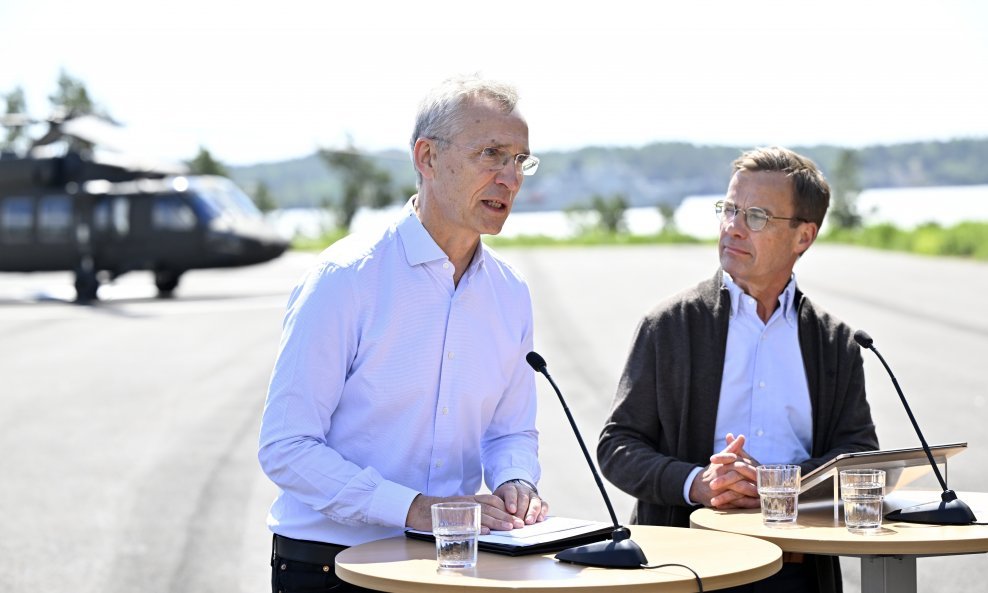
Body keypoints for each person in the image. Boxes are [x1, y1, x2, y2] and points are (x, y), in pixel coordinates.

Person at [258, 75, 548, 593]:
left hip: (454, 565)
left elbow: (510, 431)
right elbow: (287, 446)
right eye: (492, 154)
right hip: (332, 567)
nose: (510, 177)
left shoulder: (510, 292)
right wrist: (415, 509)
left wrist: (516, 484)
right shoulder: (346, 277)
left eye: (520, 160)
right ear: (426, 158)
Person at [597, 146, 878, 593]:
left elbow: (860, 455)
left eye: (757, 216)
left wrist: (778, 486)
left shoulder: (835, 342)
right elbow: (618, 446)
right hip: (686, 565)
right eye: (729, 209)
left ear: (803, 237)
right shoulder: (669, 325)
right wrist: (698, 483)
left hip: (798, 570)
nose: (732, 227)